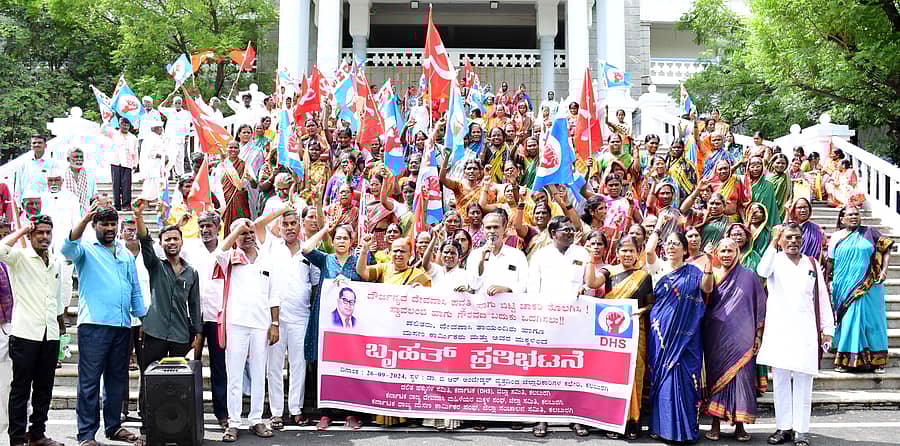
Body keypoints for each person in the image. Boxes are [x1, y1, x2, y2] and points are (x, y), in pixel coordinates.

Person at [63, 204, 146, 446]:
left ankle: (113, 426)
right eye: (104, 224)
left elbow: (135, 289)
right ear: (94, 226)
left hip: (123, 326)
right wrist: (84, 218)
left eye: (113, 224)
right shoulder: (85, 250)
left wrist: (141, 318)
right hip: (94, 326)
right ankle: (87, 435)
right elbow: (66, 248)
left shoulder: (125, 254)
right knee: (89, 382)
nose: (109, 229)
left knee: (116, 379)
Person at [756, 223, 834, 446]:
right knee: (780, 381)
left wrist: (827, 330)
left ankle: (801, 430)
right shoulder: (775, 261)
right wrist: (773, 241)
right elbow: (762, 271)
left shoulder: (812, 263)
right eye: (788, 237)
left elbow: (821, 298)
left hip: (805, 330)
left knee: (803, 381)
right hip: (780, 329)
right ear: (780, 240)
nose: (793, 241)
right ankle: (784, 428)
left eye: (797, 237)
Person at [132, 201, 202, 444]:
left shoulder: (191, 272)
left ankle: (180, 426)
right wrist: (139, 217)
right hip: (155, 332)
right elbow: (144, 242)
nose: (171, 243)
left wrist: (197, 333)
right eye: (167, 240)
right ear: (161, 244)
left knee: (178, 382)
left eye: (175, 239)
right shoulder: (155, 266)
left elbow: (194, 305)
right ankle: (147, 428)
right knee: (149, 379)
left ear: (182, 242)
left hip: (181, 335)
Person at [0, 215, 66, 446]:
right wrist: (22, 231)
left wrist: (61, 328)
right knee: (20, 388)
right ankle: (17, 438)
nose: (45, 237)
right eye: (39, 232)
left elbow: (57, 300)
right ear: (30, 235)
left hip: (50, 334)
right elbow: (0, 249)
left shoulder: (56, 261)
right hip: (25, 333)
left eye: (48, 232)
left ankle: (37, 434)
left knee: (44, 388)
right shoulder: (20, 257)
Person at [214, 219, 279, 442]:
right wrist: (237, 230)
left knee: (260, 374)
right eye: (243, 233)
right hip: (236, 324)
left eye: (250, 232)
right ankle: (233, 423)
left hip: (261, 325)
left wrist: (275, 324)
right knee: (234, 375)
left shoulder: (266, 259)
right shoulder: (229, 258)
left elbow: (274, 296)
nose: (248, 236)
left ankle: (256, 419)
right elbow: (218, 251)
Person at [647, 231, 715, 443]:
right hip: (662, 331)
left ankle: (686, 430)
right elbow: (649, 250)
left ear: (685, 249)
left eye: (676, 244)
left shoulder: (694, 271)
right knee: (664, 377)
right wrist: (659, 227)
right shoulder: (658, 268)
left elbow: (707, 288)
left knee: (686, 378)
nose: (671, 247)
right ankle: (663, 428)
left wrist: (709, 264)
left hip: (688, 334)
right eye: (668, 243)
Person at [257, 207, 318, 428]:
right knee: (273, 366)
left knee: (298, 365)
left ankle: (295, 409)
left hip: (301, 316)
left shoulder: (309, 250)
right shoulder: (272, 247)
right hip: (274, 319)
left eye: (294, 223)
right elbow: (258, 226)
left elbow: (314, 283)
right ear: (280, 227)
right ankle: (275, 412)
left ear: (300, 225)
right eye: (286, 224)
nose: (290, 227)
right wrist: (281, 209)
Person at [301, 222, 365, 431]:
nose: (341, 241)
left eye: (345, 238)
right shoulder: (325, 260)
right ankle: (325, 414)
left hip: (349, 326)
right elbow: (306, 249)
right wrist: (324, 230)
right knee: (323, 367)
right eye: (337, 238)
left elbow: (365, 280)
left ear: (351, 242)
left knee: (348, 366)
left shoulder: (358, 261)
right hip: (325, 323)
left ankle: (350, 413)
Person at [703, 238, 767, 442]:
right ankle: (715, 424)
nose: (726, 255)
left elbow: (760, 305)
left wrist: (758, 335)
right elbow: (703, 300)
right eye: (722, 251)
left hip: (743, 336)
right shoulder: (711, 274)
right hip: (716, 335)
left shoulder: (749, 276)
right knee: (717, 378)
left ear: (738, 252)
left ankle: (739, 425)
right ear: (717, 254)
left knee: (741, 378)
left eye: (730, 250)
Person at [591, 235, 654, 440]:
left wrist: (641, 311)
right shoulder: (608, 271)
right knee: (614, 374)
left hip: (636, 329)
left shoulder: (644, 276)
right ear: (617, 252)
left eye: (631, 250)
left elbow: (651, 304)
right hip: (612, 331)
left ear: (638, 253)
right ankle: (612, 419)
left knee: (634, 373)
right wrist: (589, 260)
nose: (627, 254)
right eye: (623, 250)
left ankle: (632, 420)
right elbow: (591, 282)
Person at [826, 206, 892, 373]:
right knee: (848, 320)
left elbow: (888, 247)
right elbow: (830, 263)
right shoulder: (835, 237)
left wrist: (884, 270)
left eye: (857, 214)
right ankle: (844, 360)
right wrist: (827, 281)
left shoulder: (870, 232)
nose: (854, 217)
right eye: (850, 215)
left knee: (872, 322)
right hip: (843, 285)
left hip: (868, 285)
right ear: (842, 219)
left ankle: (877, 361)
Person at [181, 211, 228, 427]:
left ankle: (222, 415)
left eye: (209, 225)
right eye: (201, 226)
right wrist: (180, 226)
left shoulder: (226, 249)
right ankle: (189, 413)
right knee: (190, 364)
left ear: (218, 227)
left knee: (219, 367)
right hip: (193, 317)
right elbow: (160, 250)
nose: (205, 230)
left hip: (218, 317)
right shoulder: (190, 248)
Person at [464, 209, 528, 296]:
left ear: (504, 228)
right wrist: (481, 260)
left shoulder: (517, 255)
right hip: (483, 307)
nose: (492, 231)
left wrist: (507, 289)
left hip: (508, 306)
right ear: (483, 229)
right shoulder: (475, 254)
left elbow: (524, 284)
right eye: (488, 227)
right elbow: (473, 285)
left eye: (496, 227)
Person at [100, 119, 139, 211]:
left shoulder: (133, 137)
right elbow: (102, 130)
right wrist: (107, 120)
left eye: (127, 125)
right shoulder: (114, 134)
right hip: (116, 162)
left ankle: (126, 205)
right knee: (116, 185)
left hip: (128, 163)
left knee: (127, 185)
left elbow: (135, 151)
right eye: (123, 125)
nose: (125, 127)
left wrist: (135, 163)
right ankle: (117, 205)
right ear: (120, 125)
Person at [221, 140, 255, 237]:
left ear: (239, 150)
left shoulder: (245, 165)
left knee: (242, 225)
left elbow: (254, 185)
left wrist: (251, 179)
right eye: (230, 147)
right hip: (224, 200)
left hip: (240, 201)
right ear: (226, 149)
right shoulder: (221, 166)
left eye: (235, 147)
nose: (233, 150)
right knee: (224, 225)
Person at [13, 135, 54, 205]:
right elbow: (18, 185)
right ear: (31, 146)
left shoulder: (52, 164)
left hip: (45, 203)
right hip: (27, 203)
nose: (37, 145)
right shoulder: (23, 163)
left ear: (45, 145)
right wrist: (17, 204)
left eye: (40, 142)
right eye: (34, 143)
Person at [159, 97, 193, 176]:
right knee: (171, 157)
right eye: (176, 103)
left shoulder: (186, 113)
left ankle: (179, 175)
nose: (177, 104)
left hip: (181, 139)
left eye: (179, 103)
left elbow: (187, 126)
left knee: (180, 158)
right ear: (173, 104)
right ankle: (167, 173)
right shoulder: (170, 111)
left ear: (181, 104)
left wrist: (186, 137)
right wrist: (168, 98)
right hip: (170, 139)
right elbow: (160, 108)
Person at [62, 147, 98, 214]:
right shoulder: (62, 176)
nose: (79, 159)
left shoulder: (90, 176)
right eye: (76, 157)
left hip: (85, 214)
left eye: (81, 157)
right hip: (66, 213)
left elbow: (94, 198)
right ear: (68, 159)